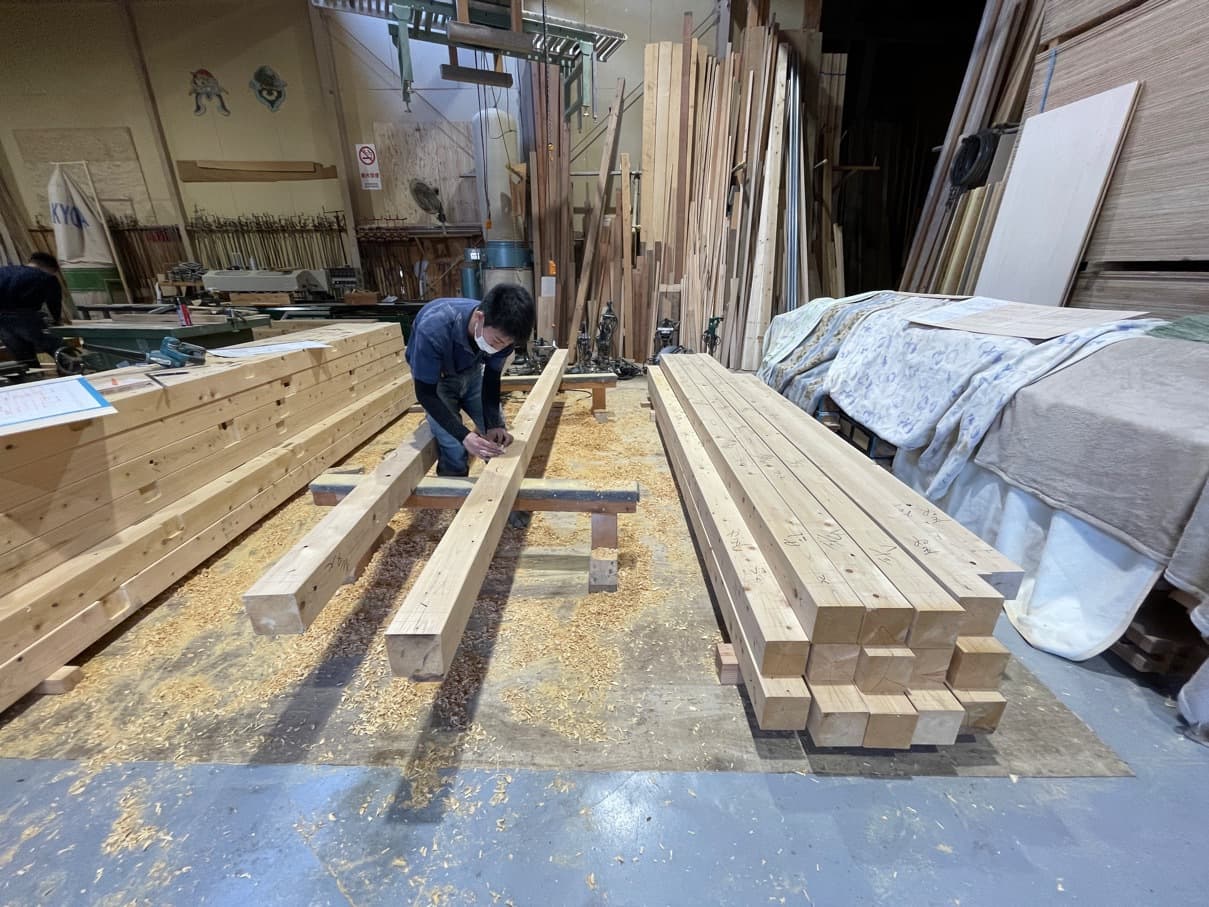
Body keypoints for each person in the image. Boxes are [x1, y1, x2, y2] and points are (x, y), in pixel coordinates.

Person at [405, 284, 535, 477]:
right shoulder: (433, 329)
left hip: (472, 371)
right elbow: (425, 394)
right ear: (479, 317)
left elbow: (491, 378)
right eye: (497, 342)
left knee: (497, 436)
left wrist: (493, 423)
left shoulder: (503, 335)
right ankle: (454, 486)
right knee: (453, 444)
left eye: (507, 344)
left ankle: (499, 484)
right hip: (437, 380)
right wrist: (464, 436)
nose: (500, 349)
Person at [0, 252, 67, 368]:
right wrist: (56, 320)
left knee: (24, 359)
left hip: (2, 321)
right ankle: (73, 370)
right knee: (58, 348)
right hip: (28, 318)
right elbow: (54, 302)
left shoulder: (3, 272)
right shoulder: (46, 277)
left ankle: (33, 376)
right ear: (50, 268)